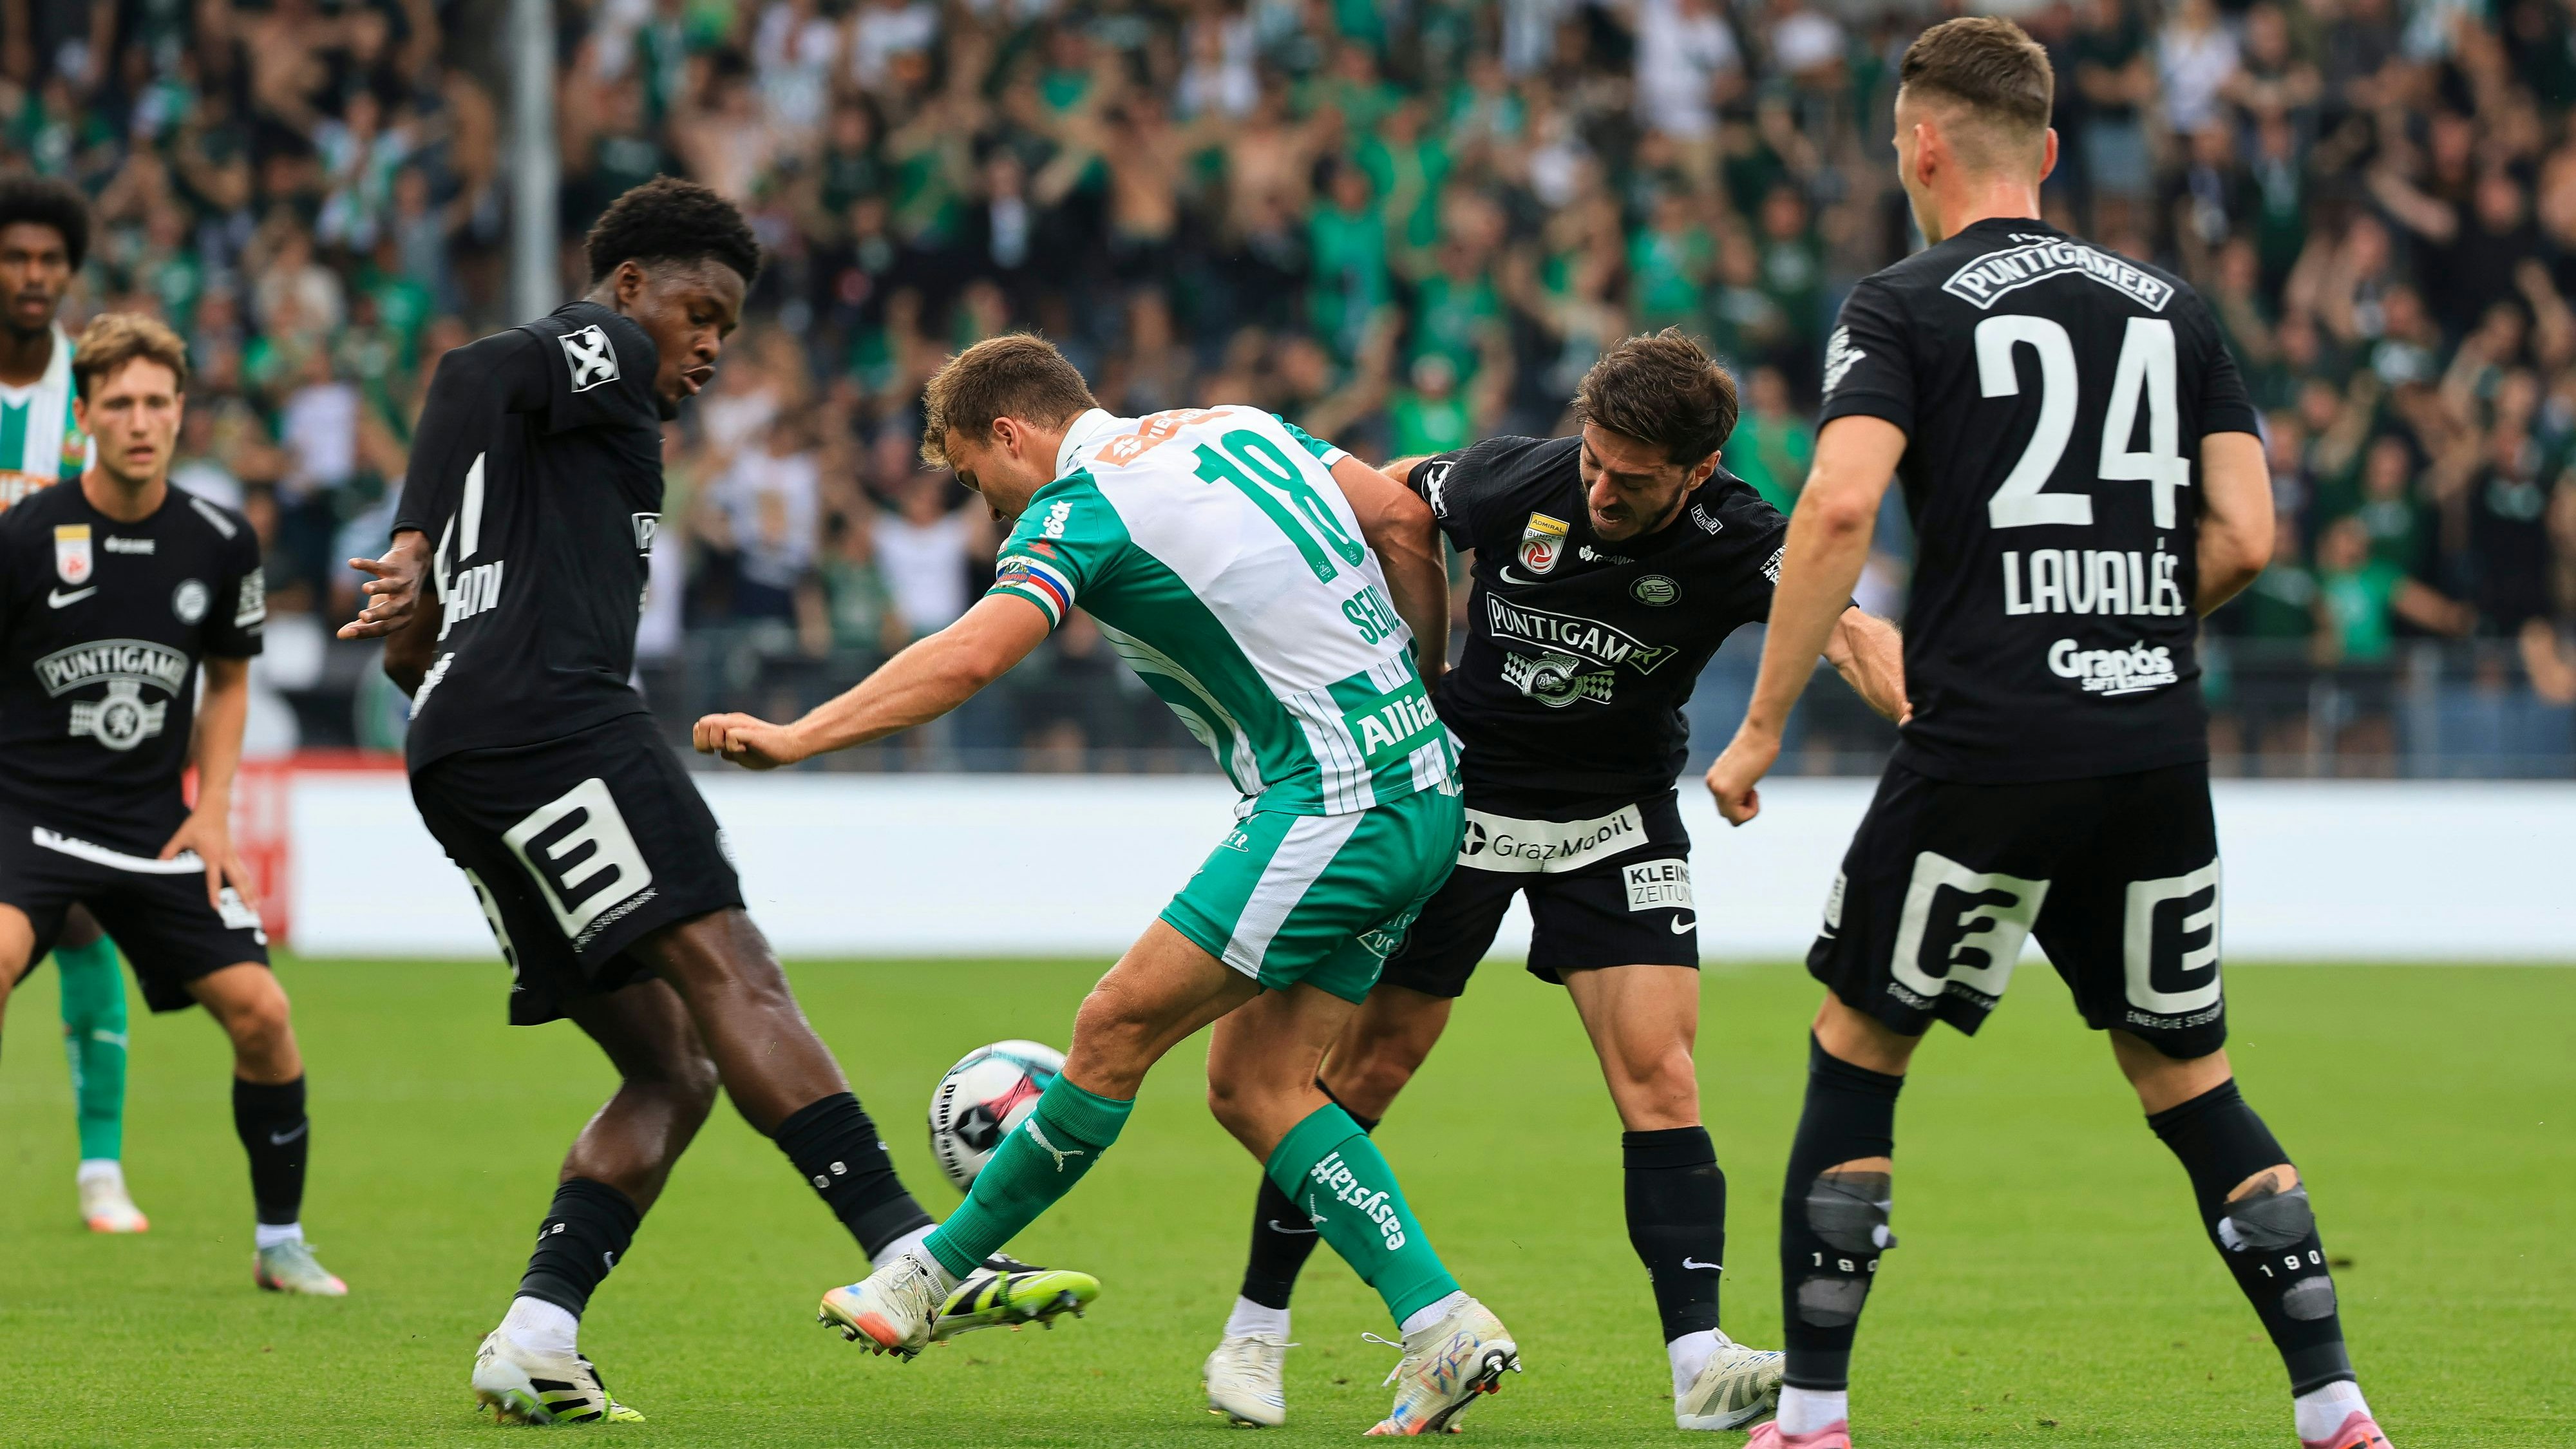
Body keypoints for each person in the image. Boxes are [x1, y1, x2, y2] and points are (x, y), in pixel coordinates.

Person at [1703, 21, 2391, 1449]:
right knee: (2187, 1077)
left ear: (1921, 147)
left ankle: (1813, 1418)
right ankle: (2333, 1406)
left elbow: (1833, 509)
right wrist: (2127, 615)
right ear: (2053, 152)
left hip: (1986, 752)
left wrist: (1762, 724)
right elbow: (2250, 534)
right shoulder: (2171, 305)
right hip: (2151, 750)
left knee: (1856, 1051)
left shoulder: (1896, 305)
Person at [337, 180, 1096, 1427]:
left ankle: (534, 1334)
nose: (706, 346)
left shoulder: (572, 424)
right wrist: (414, 542)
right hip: (558, 722)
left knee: (669, 1069)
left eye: (728, 331)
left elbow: (468, 536)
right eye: (700, 313)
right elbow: (472, 370)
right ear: (630, 288)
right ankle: (913, 1249)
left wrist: (433, 617)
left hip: (465, 748)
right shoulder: (604, 347)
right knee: (735, 974)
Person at [695, 335, 1524, 1437]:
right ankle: (1443, 1323)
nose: (980, 503)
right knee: (1260, 1086)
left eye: (969, 472)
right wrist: (1420, 673)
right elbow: (1408, 522)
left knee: (1112, 1027)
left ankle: (925, 1275)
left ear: (1011, 434)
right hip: (1423, 785)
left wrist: (802, 735)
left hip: (1334, 801)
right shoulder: (1239, 423)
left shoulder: (1081, 505)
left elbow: (971, 656)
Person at [1200, 329, 1908, 1434]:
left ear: (1699, 471)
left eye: (1632, 479)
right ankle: (1255, 1331)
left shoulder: (1741, 538)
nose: (1600, 488)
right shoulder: (1515, 475)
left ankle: (1698, 1360)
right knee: (1369, 1071)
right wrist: (1391, 650)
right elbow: (1389, 502)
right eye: (1594, 459)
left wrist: (1934, 727)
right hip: (1463, 809)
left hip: (1615, 820)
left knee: (1662, 1080)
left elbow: (1852, 631)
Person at [0, 313, 342, 1292]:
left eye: (157, 402)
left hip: (155, 826)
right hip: (26, 814)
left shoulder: (220, 541)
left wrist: (215, 806)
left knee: (264, 1014)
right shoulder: (25, 537)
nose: (140, 421)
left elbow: (229, 682)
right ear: (86, 416)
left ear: (182, 412)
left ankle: (280, 1242)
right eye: (119, 404)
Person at [0, 175, 148, 1235]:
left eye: (49, 260)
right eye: (15, 257)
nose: (32, 276)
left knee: (86, 907)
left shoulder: (94, 392)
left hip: (55, 687)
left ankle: (102, 1167)